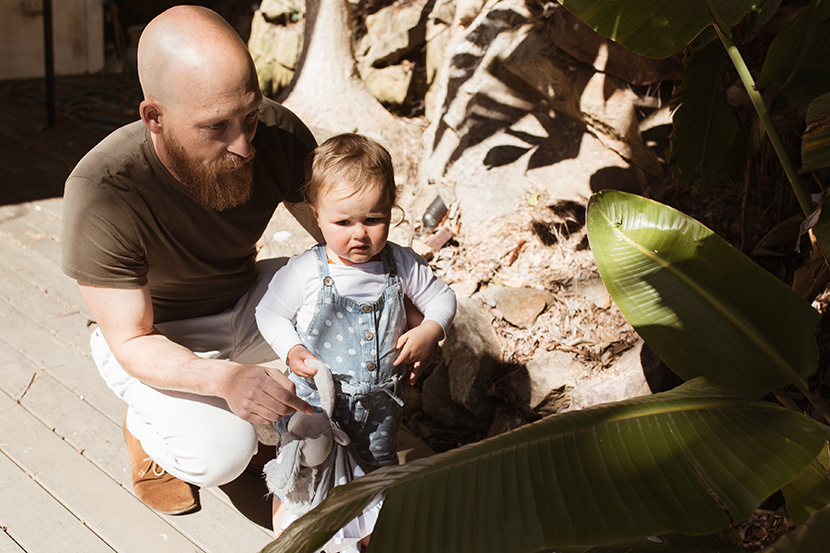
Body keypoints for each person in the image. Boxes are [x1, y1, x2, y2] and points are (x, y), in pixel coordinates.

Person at [60, 5, 322, 515]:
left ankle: (318, 439)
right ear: (154, 117)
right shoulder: (101, 190)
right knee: (222, 454)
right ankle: (146, 429)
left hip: (245, 299)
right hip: (155, 334)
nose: (244, 144)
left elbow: (336, 239)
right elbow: (132, 337)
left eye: (249, 116)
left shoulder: (276, 133)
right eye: (216, 127)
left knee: (354, 294)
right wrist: (224, 381)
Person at [255, 133, 457, 539]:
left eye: (373, 219)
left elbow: (443, 298)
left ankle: (364, 537)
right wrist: (292, 348)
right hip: (316, 404)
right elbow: (270, 312)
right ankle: (288, 535)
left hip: (380, 409)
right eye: (343, 222)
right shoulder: (307, 270)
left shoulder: (400, 263)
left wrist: (430, 330)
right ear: (316, 215)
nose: (359, 234)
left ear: (391, 210)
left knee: (375, 476)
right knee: (304, 471)